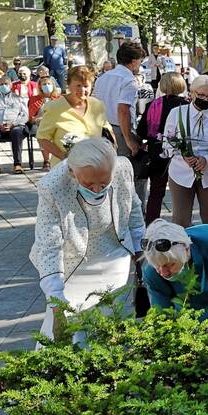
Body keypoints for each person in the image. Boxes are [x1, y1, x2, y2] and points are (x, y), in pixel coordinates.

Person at [29, 137, 144, 346]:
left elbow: (133, 209)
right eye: (89, 183)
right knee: (64, 327)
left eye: (104, 183)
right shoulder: (52, 186)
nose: (98, 189)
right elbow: (48, 245)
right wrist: (56, 300)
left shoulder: (122, 168)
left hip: (113, 255)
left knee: (108, 319)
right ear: (73, 173)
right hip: (72, 261)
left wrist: (140, 254)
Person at [162, 75, 208, 227]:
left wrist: (207, 159)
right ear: (192, 93)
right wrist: (183, 154)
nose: (205, 99)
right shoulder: (177, 113)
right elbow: (167, 142)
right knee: (180, 221)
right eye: (201, 95)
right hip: (180, 173)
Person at [93, 41, 147, 202]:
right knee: (129, 176)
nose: (140, 65)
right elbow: (123, 110)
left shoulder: (102, 78)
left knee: (109, 175)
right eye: (140, 61)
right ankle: (133, 215)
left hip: (101, 129)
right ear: (134, 61)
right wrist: (129, 139)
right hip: (119, 130)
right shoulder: (128, 80)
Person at [136, 72, 188, 224]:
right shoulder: (186, 105)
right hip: (180, 154)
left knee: (156, 192)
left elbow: (141, 131)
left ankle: (152, 224)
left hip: (156, 153)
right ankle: (181, 225)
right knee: (183, 193)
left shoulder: (153, 105)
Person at [36, 66, 109, 166]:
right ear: (69, 86)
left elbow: (107, 131)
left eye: (86, 86)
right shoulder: (54, 107)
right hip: (66, 168)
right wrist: (64, 157)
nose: (82, 90)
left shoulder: (97, 105)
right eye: (78, 85)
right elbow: (42, 138)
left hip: (94, 167)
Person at [0, 76, 30, 175]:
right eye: (1, 84)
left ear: (10, 85)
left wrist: (13, 124)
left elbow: (25, 116)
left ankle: (17, 164)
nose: (3, 86)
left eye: (6, 84)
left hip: (15, 126)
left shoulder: (19, 98)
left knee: (17, 132)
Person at [28, 76, 60, 171]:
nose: (47, 86)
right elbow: (31, 118)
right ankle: (47, 161)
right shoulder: (34, 99)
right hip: (40, 124)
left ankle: (58, 158)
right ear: (40, 87)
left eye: (49, 84)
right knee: (42, 132)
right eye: (44, 84)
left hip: (56, 123)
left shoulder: (59, 98)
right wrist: (38, 118)